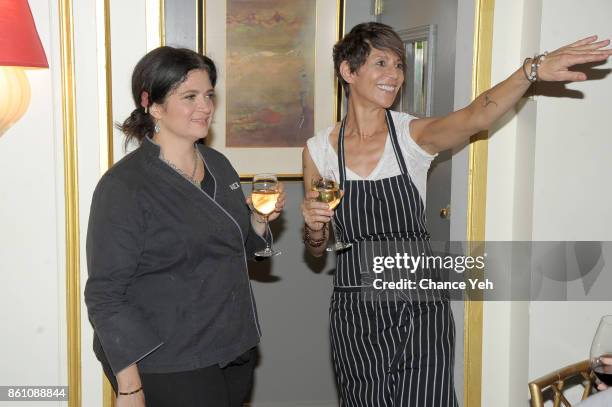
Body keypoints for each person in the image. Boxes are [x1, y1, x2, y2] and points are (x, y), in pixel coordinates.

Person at [301, 22, 612, 406]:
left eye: (399, 65)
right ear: (348, 71)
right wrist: (315, 229)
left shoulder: (413, 137)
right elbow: (318, 247)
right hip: (355, 309)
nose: (394, 75)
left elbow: (477, 115)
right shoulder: (319, 152)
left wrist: (531, 70)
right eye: (381, 63)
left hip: (420, 306)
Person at [84, 46, 285, 407]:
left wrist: (258, 219)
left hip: (233, 349)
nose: (205, 107)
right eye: (189, 96)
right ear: (153, 104)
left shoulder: (219, 165)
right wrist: (129, 387)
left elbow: (241, 248)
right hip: (170, 361)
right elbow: (106, 296)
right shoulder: (124, 186)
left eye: (208, 95)